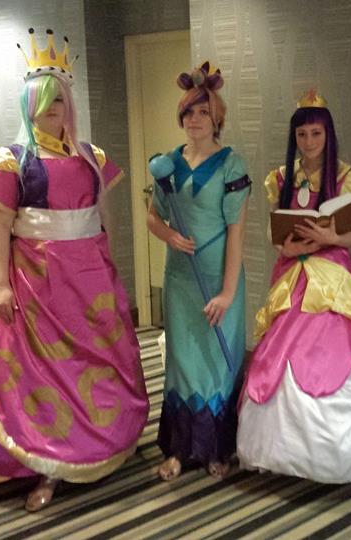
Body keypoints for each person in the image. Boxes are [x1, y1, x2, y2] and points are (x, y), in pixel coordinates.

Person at [0, 28, 148, 512]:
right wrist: (0, 284)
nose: (51, 111)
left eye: (58, 101)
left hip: (90, 283)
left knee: (96, 365)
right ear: (28, 107)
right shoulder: (12, 161)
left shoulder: (90, 157)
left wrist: (109, 267)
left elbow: (102, 219)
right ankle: (48, 463)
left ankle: (103, 445)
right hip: (38, 284)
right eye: (42, 103)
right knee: (43, 374)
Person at [236, 91, 351, 482]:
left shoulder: (346, 177)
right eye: (302, 134)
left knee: (335, 345)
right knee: (281, 346)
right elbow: (275, 232)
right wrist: (287, 247)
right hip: (293, 272)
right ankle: (281, 452)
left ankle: (342, 454)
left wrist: (331, 239)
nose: (309, 142)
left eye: (316, 134)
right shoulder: (280, 177)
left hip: (333, 274)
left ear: (328, 135)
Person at [147, 61, 251, 481]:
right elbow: (153, 217)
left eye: (203, 112)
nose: (194, 119)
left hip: (219, 279)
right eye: (188, 112)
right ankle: (178, 449)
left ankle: (217, 449)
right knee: (182, 361)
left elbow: (237, 234)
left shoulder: (231, 165)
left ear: (217, 117)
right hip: (180, 280)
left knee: (217, 363)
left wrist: (227, 293)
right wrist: (169, 235)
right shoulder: (169, 163)